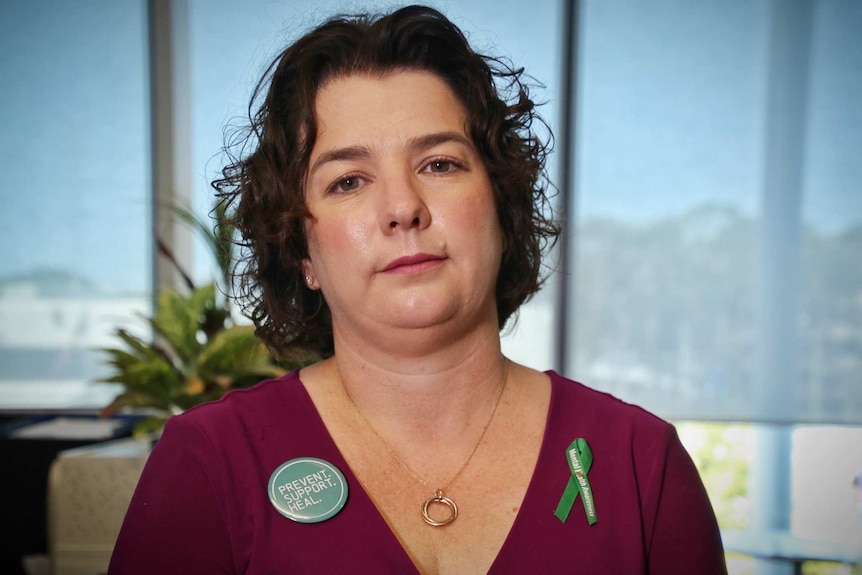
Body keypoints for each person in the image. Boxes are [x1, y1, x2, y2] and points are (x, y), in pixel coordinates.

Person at [109, 5, 726, 573]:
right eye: (348, 181)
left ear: (501, 208)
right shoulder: (208, 462)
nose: (402, 207)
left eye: (440, 164)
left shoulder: (643, 465)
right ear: (302, 251)